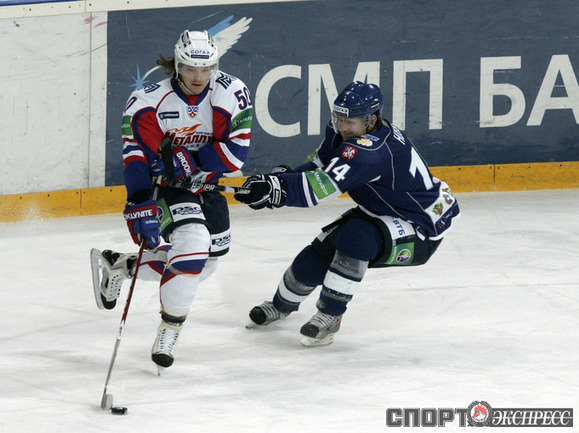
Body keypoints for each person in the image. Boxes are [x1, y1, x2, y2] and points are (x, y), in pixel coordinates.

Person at [235, 81, 459, 346]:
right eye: (339, 119)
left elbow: (319, 189)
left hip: (419, 227)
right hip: (381, 213)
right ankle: (280, 306)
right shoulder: (345, 132)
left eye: (349, 122)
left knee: (356, 237)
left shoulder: (372, 150)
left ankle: (330, 315)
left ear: (371, 120)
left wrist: (277, 190)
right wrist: (282, 180)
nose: (342, 127)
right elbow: (320, 166)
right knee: (318, 253)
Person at [92, 30, 252, 369]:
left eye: (206, 69)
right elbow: (136, 156)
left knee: (203, 264)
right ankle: (169, 332)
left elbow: (235, 154)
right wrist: (139, 201)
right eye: (191, 68)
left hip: (206, 186)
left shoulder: (231, 92)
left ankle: (120, 266)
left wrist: (191, 161)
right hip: (165, 188)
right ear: (177, 65)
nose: (199, 77)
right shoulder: (148, 100)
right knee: (193, 243)